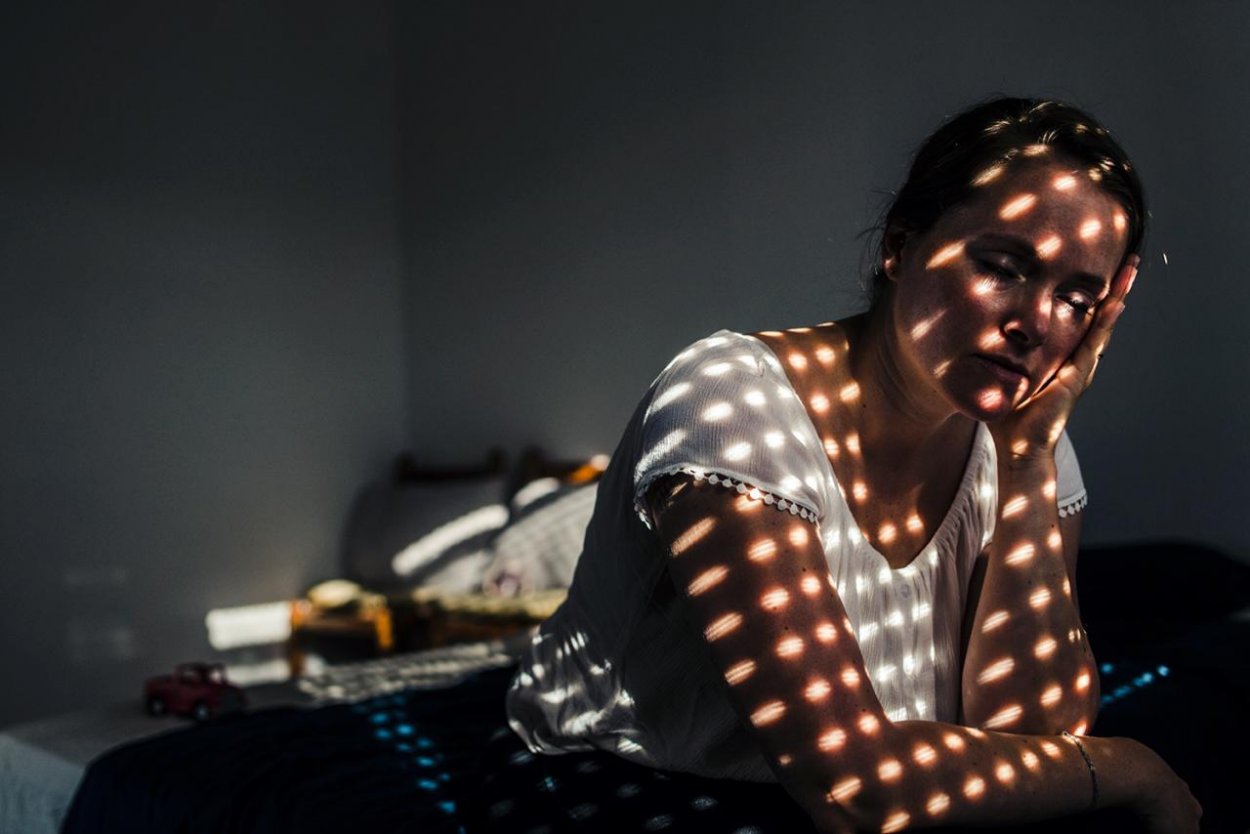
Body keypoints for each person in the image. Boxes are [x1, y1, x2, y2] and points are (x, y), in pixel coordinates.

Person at [505, 97, 1202, 833]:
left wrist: (1028, 461)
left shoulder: (1029, 438)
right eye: (1002, 267)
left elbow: (1034, 738)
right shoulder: (732, 406)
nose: (1034, 323)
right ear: (900, 245)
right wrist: (1134, 768)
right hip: (622, 777)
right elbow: (851, 788)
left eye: (1076, 299)